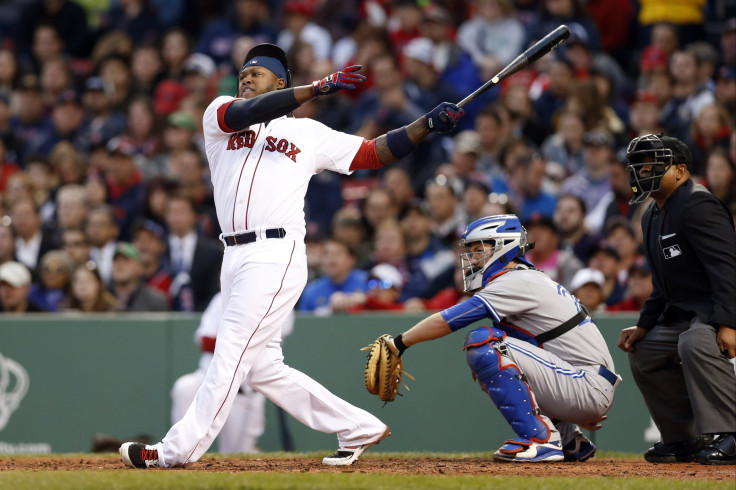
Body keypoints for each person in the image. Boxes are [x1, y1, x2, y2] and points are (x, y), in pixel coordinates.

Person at [119, 42, 465, 469]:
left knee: (229, 353)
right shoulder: (220, 114)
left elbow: (374, 152)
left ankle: (173, 452)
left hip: (274, 252)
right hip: (234, 255)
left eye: (257, 73)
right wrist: (315, 88)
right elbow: (245, 113)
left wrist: (426, 124)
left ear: (280, 81)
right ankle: (357, 426)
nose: (246, 77)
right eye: (244, 72)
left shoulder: (307, 133)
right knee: (263, 368)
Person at [381, 214, 620, 463]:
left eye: (478, 249)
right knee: (506, 352)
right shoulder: (525, 278)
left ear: (503, 246)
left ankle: (542, 440)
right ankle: (568, 438)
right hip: (585, 381)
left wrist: (399, 343)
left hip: (585, 383)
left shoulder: (516, 280)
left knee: (486, 346)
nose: (472, 258)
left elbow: (448, 320)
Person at [618, 134, 736, 465]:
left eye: (651, 164)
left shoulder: (698, 203)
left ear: (680, 170)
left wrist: (729, 323)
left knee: (695, 342)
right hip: (689, 312)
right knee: (645, 349)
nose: (642, 170)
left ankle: (733, 434)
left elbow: (728, 269)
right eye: (638, 164)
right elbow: (662, 286)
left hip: (718, 309)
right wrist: (644, 325)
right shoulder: (651, 214)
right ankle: (684, 439)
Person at [171, 292, 295, 454]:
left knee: (236, 453)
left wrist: (230, 343)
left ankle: (251, 452)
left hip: (244, 388)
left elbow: (262, 342)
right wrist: (237, 344)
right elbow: (204, 339)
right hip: (208, 377)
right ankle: (180, 451)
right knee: (184, 387)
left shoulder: (279, 299)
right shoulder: (221, 297)